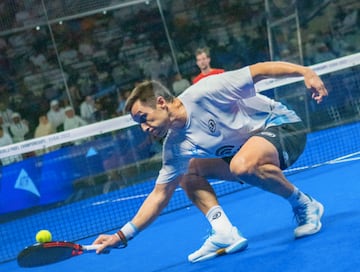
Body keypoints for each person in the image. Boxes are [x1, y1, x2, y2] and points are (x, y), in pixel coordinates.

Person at [93, 61, 328, 263]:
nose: (144, 128)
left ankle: (305, 204)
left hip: (282, 127)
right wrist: (121, 236)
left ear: (161, 102)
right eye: (139, 124)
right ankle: (224, 232)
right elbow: (159, 195)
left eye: (144, 118)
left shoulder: (206, 92)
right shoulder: (175, 146)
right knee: (188, 172)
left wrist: (305, 72)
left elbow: (259, 71)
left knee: (241, 165)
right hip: (245, 153)